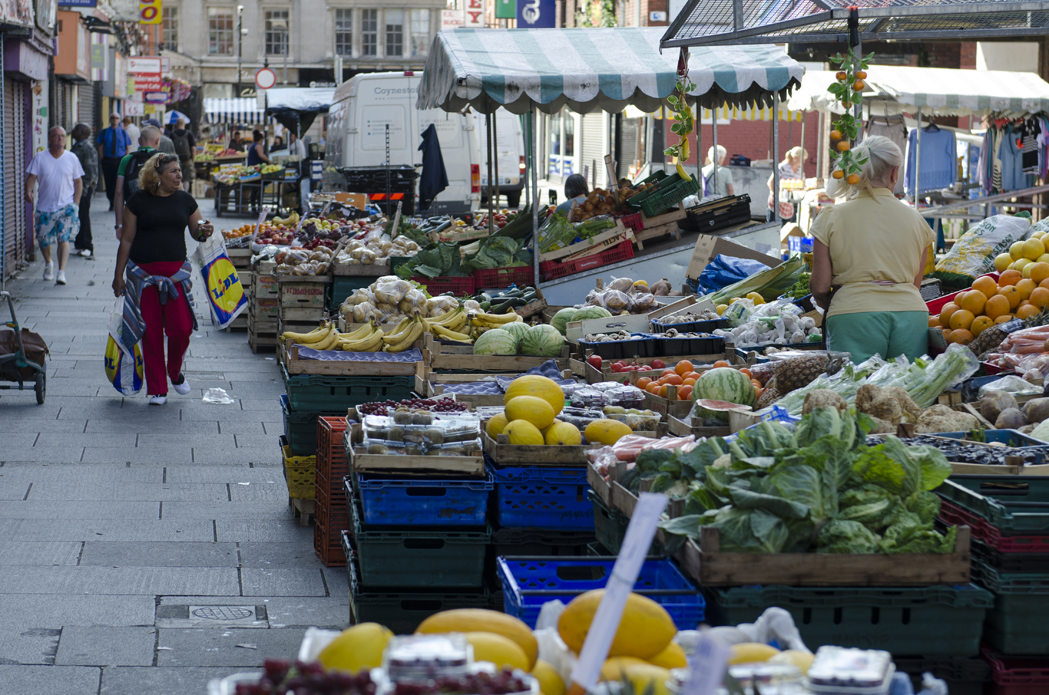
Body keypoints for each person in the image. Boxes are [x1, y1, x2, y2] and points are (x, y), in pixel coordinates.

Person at [810, 136, 935, 364]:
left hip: (852, 315)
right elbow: (914, 285)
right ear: (894, 173)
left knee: (853, 392)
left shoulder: (831, 216)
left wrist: (843, 299)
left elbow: (819, 286)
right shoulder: (917, 220)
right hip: (910, 313)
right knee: (905, 393)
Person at [112, 153, 214, 406]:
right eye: (173, 171)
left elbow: (197, 232)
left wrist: (205, 232)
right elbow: (126, 239)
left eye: (179, 171)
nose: (179, 175)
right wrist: (118, 275)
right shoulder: (137, 202)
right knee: (151, 333)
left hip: (176, 276)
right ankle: (157, 389)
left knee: (182, 328)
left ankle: (174, 372)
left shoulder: (187, 200)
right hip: (142, 276)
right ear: (156, 176)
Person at [25, 126, 85, 285]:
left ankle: (61, 272)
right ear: (49, 139)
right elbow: (31, 177)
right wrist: (28, 191)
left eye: (63, 136)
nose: (60, 139)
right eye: (56, 136)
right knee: (44, 241)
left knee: (63, 239)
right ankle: (49, 263)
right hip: (45, 208)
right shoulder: (40, 158)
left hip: (66, 207)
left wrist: (76, 203)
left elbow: (78, 182)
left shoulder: (72, 158)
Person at [114, 125, 162, 239]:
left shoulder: (126, 159)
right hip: (158, 214)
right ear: (157, 141)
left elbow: (119, 192)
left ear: (139, 141)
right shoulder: (163, 158)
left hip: (131, 213)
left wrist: (119, 225)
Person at [70, 123, 98, 258]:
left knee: (83, 216)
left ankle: (88, 246)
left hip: (83, 189)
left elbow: (90, 171)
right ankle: (79, 244)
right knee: (77, 215)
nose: (73, 131)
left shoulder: (87, 148)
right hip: (75, 188)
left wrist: (83, 190)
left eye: (76, 129)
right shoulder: (77, 146)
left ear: (81, 132)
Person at [97, 112, 132, 210]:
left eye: (117, 118)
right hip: (107, 161)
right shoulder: (104, 132)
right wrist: (102, 159)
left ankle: (119, 202)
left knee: (119, 182)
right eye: (113, 118)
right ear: (110, 119)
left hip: (119, 161)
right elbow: (100, 146)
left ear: (119, 120)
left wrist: (126, 160)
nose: (115, 120)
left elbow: (127, 147)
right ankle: (111, 202)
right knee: (109, 182)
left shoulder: (124, 133)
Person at [767, 146, 807, 222]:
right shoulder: (782, 167)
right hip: (776, 204)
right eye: (802, 159)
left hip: (788, 205)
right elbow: (770, 182)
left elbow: (803, 185)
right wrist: (777, 197)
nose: (803, 162)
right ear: (795, 157)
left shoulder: (800, 170)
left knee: (785, 230)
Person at [246, 130, 271, 212]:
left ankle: (254, 207)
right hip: (256, 173)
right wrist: (269, 161)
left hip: (252, 171)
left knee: (254, 190)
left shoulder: (252, 146)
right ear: (261, 139)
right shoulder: (258, 145)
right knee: (258, 190)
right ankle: (258, 207)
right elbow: (261, 155)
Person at [171, 118, 196, 192]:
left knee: (177, 177)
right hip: (187, 159)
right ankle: (185, 194)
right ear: (184, 124)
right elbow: (193, 148)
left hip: (176, 160)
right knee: (187, 179)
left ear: (176, 124)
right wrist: (193, 160)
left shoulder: (172, 134)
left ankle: (178, 193)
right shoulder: (189, 134)